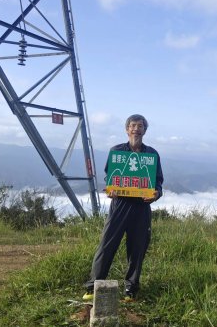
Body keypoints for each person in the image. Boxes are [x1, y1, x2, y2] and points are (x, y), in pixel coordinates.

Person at [83, 114, 164, 302]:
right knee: (106, 245)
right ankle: (93, 285)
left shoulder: (152, 154)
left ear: (144, 130)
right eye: (133, 125)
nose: (137, 129)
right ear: (127, 129)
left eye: (141, 126)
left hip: (142, 208)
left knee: (137, 248)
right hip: (120, 205)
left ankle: (131, 288)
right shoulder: (117, 151)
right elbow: (110, 176)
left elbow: (158, 181)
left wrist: (156, 194)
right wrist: (111, 189)